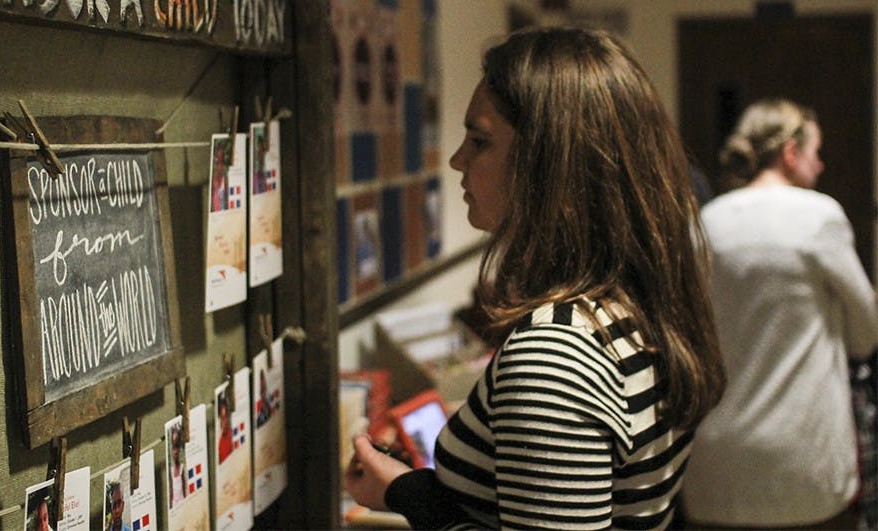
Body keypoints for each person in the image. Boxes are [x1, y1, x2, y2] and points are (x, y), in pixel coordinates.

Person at [344, 26, 726, 529]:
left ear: (550, 164)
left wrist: (407, 493)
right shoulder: (638, 306)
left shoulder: (556, 351)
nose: (458, 160)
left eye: (480, 141)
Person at [680, 98, 878, 529]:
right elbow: (866, 334)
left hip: (715, 468)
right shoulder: (819, 217)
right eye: (815, 151)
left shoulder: (707, 222)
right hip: (803, 463)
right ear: (791, 153)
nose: (820, 165)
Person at [168, 424, 187, 508]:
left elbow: (185, 489)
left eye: (177, 447)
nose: (175, 451)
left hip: (182, 504)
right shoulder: (170, 470)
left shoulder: (182, 468)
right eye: (173, 448)